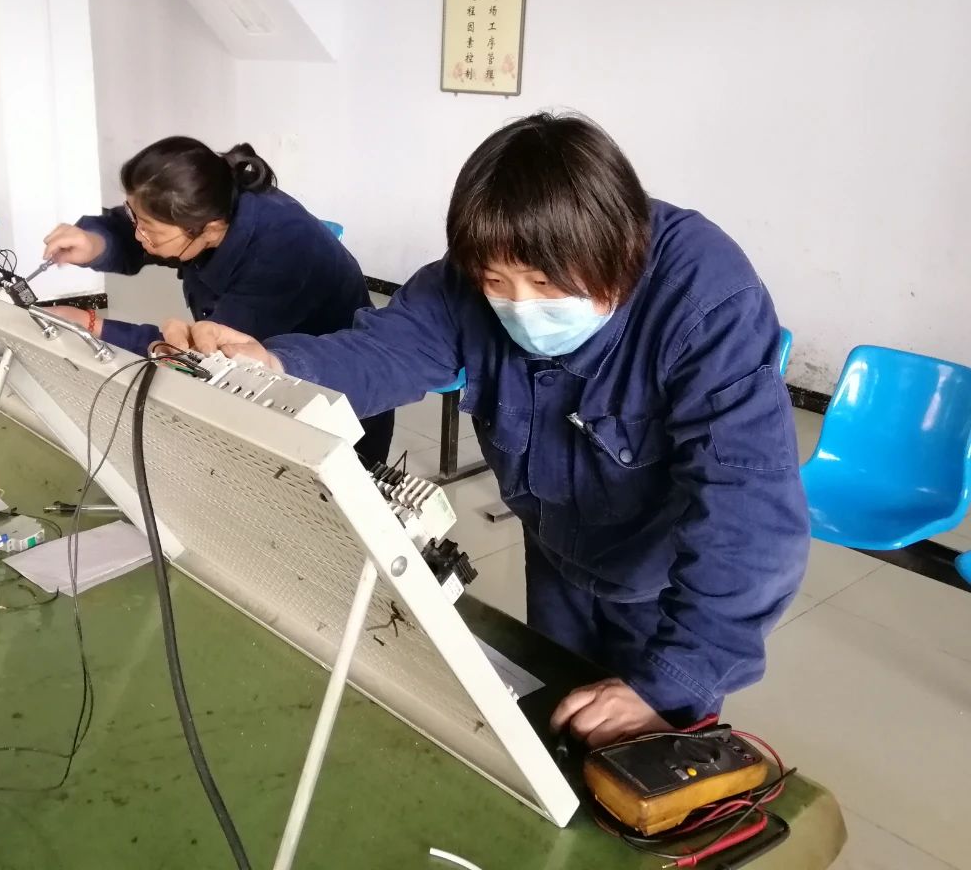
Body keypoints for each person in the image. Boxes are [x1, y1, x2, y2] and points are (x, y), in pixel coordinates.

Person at [164, 112, 810, 748]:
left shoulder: (704, 299)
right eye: (497, 283)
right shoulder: (472, 272)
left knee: (643, 757)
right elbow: (388, 347)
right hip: (556, 549)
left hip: (666, 578)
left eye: (545, 283)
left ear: (619, 254)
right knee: (554, 719)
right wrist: (275, 364)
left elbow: (749, 509)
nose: (520, 306)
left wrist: (673, 682)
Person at [39, 135, 393, 464]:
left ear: (207, 229)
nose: (138, 234)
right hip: (267, 384)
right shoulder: (210, 199)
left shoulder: (280, 253)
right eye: (134, 216)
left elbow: (211, 359)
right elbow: (144, 223)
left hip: (333, 405)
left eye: (148, 230)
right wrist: (95, 242)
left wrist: (91, 325)